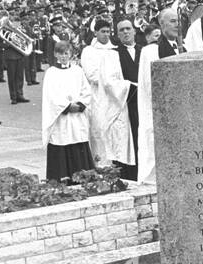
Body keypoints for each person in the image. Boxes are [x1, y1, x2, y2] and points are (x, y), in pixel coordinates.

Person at [136, 3, 185, 183]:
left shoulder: (185, 48)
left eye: (178, 21)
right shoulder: (151, 51)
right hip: (160, 111)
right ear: (162, 25)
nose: (177, 25)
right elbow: (150, 84)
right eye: (172, 21)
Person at [80, 20, 135, 172]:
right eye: (102, 31)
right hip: (98, 96)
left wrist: (116, 83)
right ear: (95, 33)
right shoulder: (89, 51)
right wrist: (109, 80)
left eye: (107, 31)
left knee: (117, 131)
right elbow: (92, 75)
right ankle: (100, 164)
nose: (105, 34)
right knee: (99, 129)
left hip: (116, 96)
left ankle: (117, 165)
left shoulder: (115, 50)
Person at [41, 40, 94, 182]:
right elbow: (50, 96)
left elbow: (86, 90)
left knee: (78, 140)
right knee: (62, 140)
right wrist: (67, 106)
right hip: (62, 117)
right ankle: (62, 179)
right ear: (55, 54)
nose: (64, 56)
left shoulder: (77, 70)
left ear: (71, 53)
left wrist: (81, 104)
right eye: (60, 53)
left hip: (77, 116)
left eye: (66, 53)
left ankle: (83, 178)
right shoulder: (51, 73)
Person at [114, 18, 141, 180]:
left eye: (128, 29)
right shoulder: (115, 54)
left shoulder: (143, 50)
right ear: (117, 35)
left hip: (143, 101)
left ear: (134, 31)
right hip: (127, 101)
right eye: (121, 30)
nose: (125, 32)